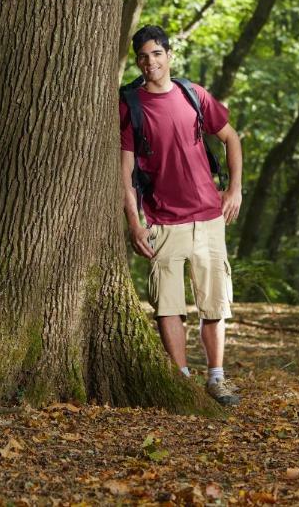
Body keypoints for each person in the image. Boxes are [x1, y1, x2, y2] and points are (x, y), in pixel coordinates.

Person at [120, 24, 242, 406]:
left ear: (169, 55)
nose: (150, 61)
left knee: (213, 303)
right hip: (162, 219)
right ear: (138, 61)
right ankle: (182, 379)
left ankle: (216, 378)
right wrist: (134, 220)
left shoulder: (194, 95)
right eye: (143, 56)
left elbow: (231, 138)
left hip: (208, 216)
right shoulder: (131, 104)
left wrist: (235, 189)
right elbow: (123, 171)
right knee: (168, 305)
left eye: (157, 53)